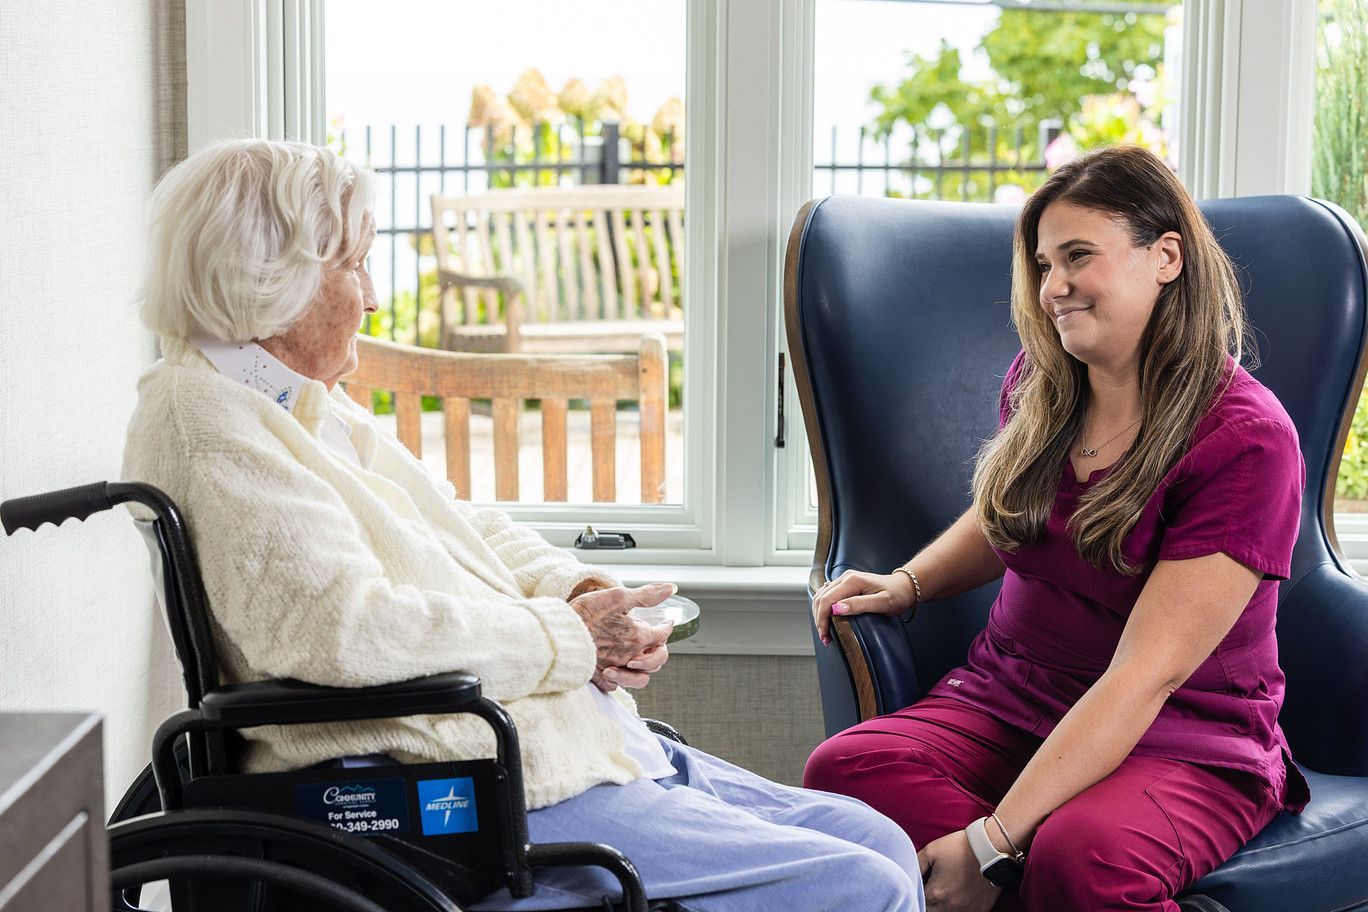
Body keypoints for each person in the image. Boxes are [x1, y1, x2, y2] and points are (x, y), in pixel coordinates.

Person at [122, 139, 923, 912]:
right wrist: (567, 641)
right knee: (866, 886)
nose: (372, 296)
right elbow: (342, 630)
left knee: (878, 843)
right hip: (463, 785)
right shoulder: (207, 421)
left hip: (549, 750)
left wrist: (578, 591)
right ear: (276, 276)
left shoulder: (298, 402)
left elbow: (462, 526)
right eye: (356, 263)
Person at [803, 145, 1308, 912]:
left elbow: (1148, 676)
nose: (1053, 288)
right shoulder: (1043, 383)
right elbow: (1009, 512)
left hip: (1180, 737)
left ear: (1165, 256)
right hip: (1010, 702)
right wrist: (909, 583)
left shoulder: (1246, 439)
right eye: (1043, 265)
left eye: (1078, 257)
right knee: (845, 770)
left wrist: (990, 845)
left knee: (1085, 856)